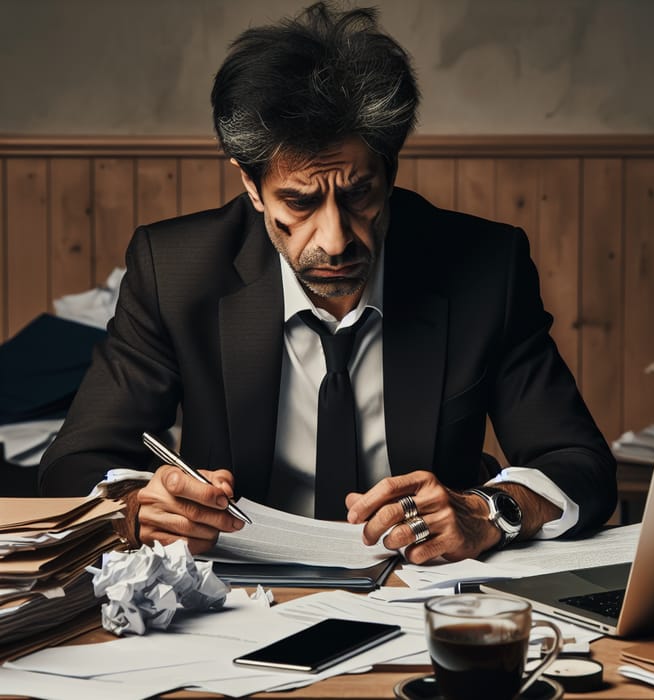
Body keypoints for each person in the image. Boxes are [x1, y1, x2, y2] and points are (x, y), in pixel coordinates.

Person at [39, 2, 616, 562]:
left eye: (359, 192)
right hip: (233, 595)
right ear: (250, 185)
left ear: (390, 173)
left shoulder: (485, 265)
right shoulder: (174, 269)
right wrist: (136, 505)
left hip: (424, 589)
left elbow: (579, 463)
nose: (336, 240)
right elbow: (76, 462)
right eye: (298, 200)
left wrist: (492, 511)